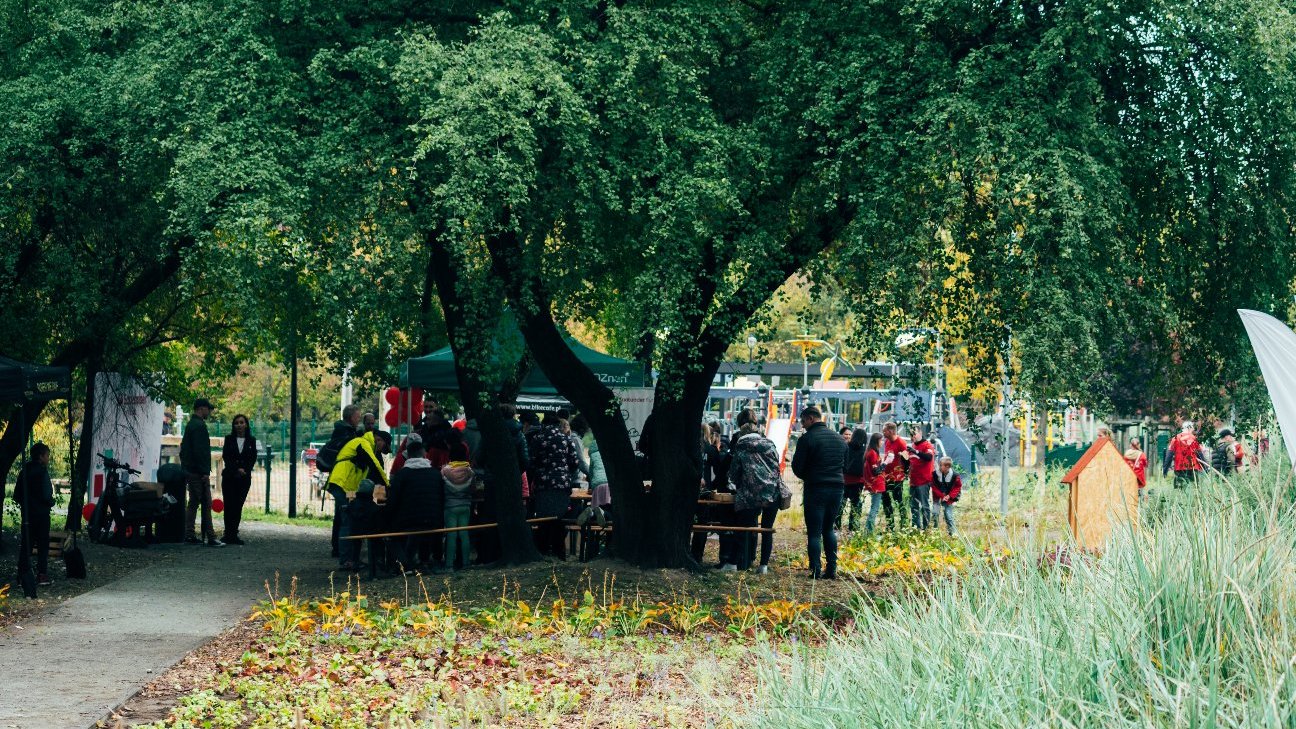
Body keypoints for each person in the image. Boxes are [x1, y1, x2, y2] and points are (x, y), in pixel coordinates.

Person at [790, 406, 846, 579]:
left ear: (811, 419)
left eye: (803, 421)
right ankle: (832, 569)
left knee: (814, 532)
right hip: (837, 488)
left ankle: (815, 570)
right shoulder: (839, 439)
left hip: (816, 488)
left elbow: (797, 467)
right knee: (829, 529)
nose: (802, 425)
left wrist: (810, 475)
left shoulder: (807, 439)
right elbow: (846, 464)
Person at [327, 429, 392, 570]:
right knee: (347, 521)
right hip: (341, 484)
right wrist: (388, 486)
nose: (382, 450)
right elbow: (376, 466)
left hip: (348, 487)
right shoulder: (363, 443)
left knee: (350, 519)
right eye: (383, 446)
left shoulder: (364, 444)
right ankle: (346, 561)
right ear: (378, 439)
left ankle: (351, 559)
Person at [727, 409, 782, 573]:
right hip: (772, 493)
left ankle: (734, 563)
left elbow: (734, 473)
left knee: (744, 528)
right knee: (766, 529)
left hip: (749, 495)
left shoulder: (741, 447)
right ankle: (763, 566)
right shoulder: (770, 444)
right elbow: (776, 467)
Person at [385, 437, 443, 570]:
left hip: (408, 520)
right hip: (434, 518)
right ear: (424, 455)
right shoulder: (435, 474)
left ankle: (403, 563)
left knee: (391, 532)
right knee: (423, 529)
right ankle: (425, 560)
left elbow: (393, 501)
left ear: (408, 456)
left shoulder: (402, 475)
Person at [528, 415, 579, 558]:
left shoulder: (538, 438)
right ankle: (559, 551)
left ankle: (543, 549)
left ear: (544, 424)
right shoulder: (566, 439)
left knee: (543, 518)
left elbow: (531, 462)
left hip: (543, 484)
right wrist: (565, 472)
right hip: (562, 484)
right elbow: (575, 462)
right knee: (560, 517)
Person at [322, 405, 362, 557]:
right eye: (357, 417)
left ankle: (338, 547)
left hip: (344, 479)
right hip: (344, 479)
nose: (358, 420)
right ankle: (340, 549)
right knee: (344, 514)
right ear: (351, 417)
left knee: (341, 513)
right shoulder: (345, 433)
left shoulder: (344, 431)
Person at [181, 397, 222, 547]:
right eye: (208, 409)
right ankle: (208, 536)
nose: (209, 411)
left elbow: (186, 450)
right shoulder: (199, 426)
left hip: (191, 470)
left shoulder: (191, 425)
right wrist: (204, 471)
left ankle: (191, 534)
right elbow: (200, 452)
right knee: (204, 502)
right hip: (198, 472)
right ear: (201, 408)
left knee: (194, 503)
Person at [16, 443, 55, 586]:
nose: (48, 458)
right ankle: (42, 575)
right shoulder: (42, 472)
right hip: (42, 515)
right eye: (47, 455)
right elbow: (46, 494)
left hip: (27, 514)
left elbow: (17, 495)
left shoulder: (24, 471)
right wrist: (51, 502)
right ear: (41, 456)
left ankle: (22, 576)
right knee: (43, 545)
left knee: (26, 545)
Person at [219, 414, 258, 545]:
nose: (239, 425)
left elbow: (253, 458)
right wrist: (236, 469)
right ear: (233, 425)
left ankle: (234, 533)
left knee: (238, 505)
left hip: (244, 478)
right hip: (230, 476)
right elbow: (226, 456)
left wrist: (244, 469)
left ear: (246, 424)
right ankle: (227, 534)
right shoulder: (229, 439)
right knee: (229, 504)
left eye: (242, 422)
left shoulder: (251, 440)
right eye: (236, 423)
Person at [441, 441, 476, 570]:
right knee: (464, 534)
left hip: (450, 506)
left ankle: (449, 565)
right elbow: (473, 489)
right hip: (465, 505)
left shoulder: (445, 471)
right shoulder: (470, 471)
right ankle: (466, 563)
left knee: (451, 535)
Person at [906, 425, 936, 530]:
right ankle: (916, 528)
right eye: (911, 434)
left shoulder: (927, 445)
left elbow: (929, 457)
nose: (912, 436)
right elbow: (910, 463)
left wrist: (916, 452)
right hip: (913, 481)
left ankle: (926, 528)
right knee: (914, 506)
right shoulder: (912, 446)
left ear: (920, 433)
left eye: (914, 434)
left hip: (924, 480)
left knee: (924, 505)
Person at [840, 428, 869, 532]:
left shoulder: (846, 447)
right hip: (858, 481)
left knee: (841, 505)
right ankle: (853, 528)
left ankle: (836, 526)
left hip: (845, 479)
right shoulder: (864, 450)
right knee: (855, 505)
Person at [881, 422, 908, 529]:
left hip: (897, 477)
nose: (883, 432)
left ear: (891, 431)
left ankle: (904, 524)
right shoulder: (887, 441)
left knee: (898, 500)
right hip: (886, 476)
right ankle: (890, 525)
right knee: (886, 499)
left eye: (885, 431)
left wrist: (903, 474)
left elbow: (907, 460)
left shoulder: (901, 443)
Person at [1163, 421, 1206, 488]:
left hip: (1179, 468)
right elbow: (1200, 455)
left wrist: (1165, 469)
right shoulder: (1194, 439)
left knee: (1180, 487)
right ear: (1190, 428)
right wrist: (1205, 468)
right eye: (1192, 429)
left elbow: (1169, 455)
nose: (1193, 431)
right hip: (1193, 467)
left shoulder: (1175, 439)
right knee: (1194, 487)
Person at [862, 432, 889, 532]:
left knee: (875, 507)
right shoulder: (872, 453)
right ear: (876, 441)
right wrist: (886, 463)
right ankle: (869, 531)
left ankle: (868, 530)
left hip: (874, 483)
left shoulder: (871, 452)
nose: (882, 442)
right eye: (881, 440)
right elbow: (876, 471)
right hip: (876, 484)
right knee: (875, 508)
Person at [931, 457, 962, 535]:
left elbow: (957, 487)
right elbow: (933, 486)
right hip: (937, 496)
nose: (939, 467)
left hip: (948, 498)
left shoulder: (955, 475)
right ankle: (935, 532)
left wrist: (949, 496)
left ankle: (952, 533)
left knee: (948, 515)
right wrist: (942, 496)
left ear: (947, 467)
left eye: (941, 465)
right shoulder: (935, 474)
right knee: (935, 513)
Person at [1124, 438, 1148, 502]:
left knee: (1130, 495)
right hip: (1139, 479)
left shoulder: (1126, 454)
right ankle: (1141, 508)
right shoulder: (1142, 455)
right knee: (1141, 496)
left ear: (1130, 445)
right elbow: (1145, 464)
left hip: (1130, 478)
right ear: (1138, 445)